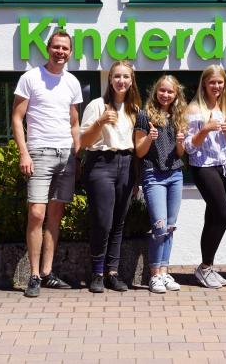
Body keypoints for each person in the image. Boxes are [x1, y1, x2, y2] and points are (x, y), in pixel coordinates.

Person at [11, 29, 82, 298]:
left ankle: (47, 272)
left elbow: (74, 122)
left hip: (66, 154)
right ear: (47, 48)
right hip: (39, 152)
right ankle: (33, 275)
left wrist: (77, 154)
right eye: (56, 47)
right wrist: (24, 153)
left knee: (55, 215)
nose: (60, 52)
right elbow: (17, 118)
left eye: (65, 48)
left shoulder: (72, 82)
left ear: (70, 52)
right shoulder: (30, 78)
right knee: (36, 214)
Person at [80, 60, 141, 293]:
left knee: (118, 222)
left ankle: (112, 273)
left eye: (126, 77)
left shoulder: (134, 109)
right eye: (117, 76)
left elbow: (137, 146)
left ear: (131, 80)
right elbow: (84, 141)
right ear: (110, 79)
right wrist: (100, 122)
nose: (121, 81)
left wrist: (137, 178)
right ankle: (97, 273)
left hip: (126, 164)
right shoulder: (97, 105)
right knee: (102, 221)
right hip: (101, 164)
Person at [134, 75, 187, 294]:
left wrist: (181, 143)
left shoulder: (178, 116)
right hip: (153, 174)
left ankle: (164, 272)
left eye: (170, 91)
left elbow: (180, 153)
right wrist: (150, 138)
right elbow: (139, 151)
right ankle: (154, 275)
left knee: (170, 226)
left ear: (176, 94)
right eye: (162, 90)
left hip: (175, 174)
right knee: (159, 226)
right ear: (155, 91)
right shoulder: (144, 115)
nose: (165, 94)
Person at [184, 65, 226, 289]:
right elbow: (188, 147)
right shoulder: (194, 109)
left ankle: (207, 267)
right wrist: (205, 129)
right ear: (204, 83)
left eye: (220, 82)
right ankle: (204, 268)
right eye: (212, 82)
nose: (216, 86)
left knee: (213, 218)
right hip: (203, 166)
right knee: (224, 215)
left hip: (223, 166)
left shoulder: (224, 106)